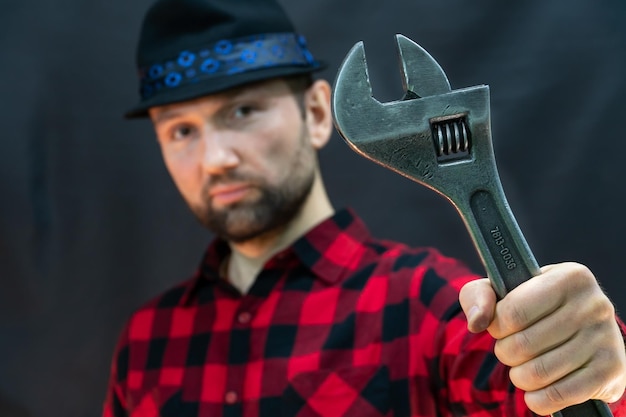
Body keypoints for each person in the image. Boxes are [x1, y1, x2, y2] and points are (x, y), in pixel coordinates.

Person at [103, 0, 626, 416]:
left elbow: (529, 395)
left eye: (243, 110)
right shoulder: (148, 338)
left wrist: (597, 362)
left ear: (314, 112)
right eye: (181, 130)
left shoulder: (431, 303)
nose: (216, 158)